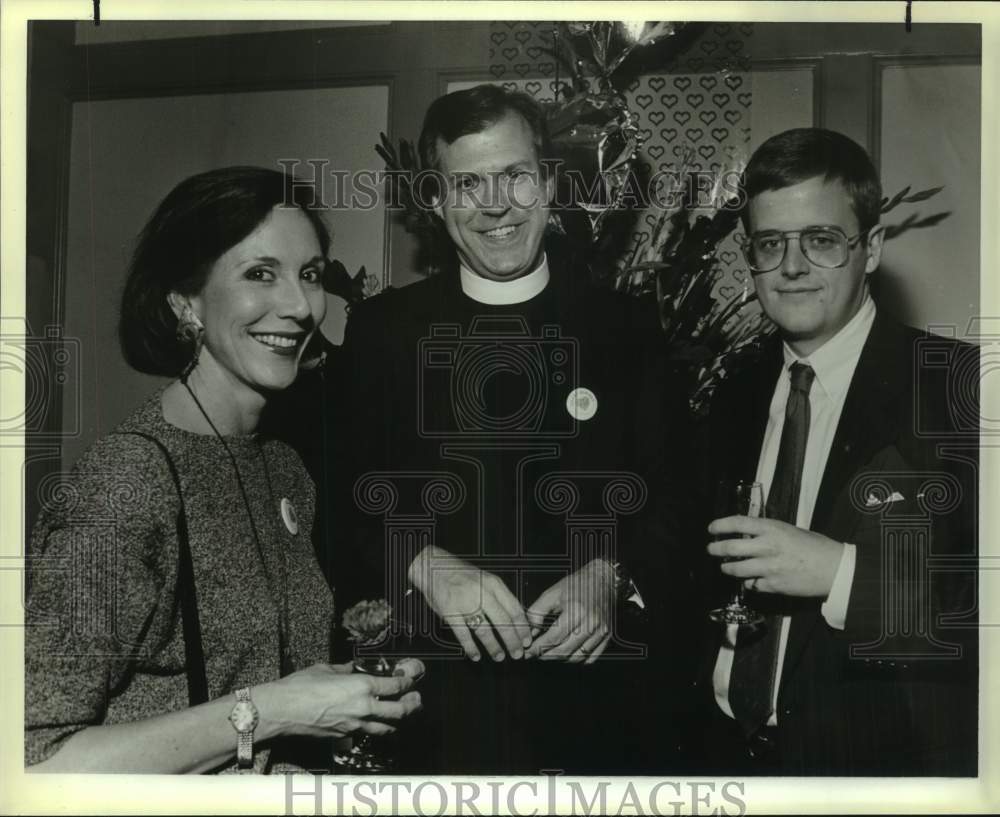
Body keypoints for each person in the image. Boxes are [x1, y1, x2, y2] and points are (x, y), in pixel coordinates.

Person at [274, 85, 685, 773]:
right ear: (434, 200)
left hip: (600, 722)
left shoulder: (625, 327)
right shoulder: (382, 334)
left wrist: (613, 576)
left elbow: (679, 498)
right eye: (467, 183)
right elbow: (333, 504)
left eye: (516, 176)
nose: (496, 205)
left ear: (549, 183)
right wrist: (420, 560)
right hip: (430, 720)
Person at [24, 166, 422, 774]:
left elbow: (257, 678)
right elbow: (34, 760)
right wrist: (276, 710)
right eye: (259, 274)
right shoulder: (125, 485)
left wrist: (344, 705)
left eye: (309, 275)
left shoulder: (284, 465)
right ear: (185, 301)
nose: (298, 305)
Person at [676, 128, 978, 775]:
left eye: (820, 240)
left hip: (881, 773)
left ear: (870, 248)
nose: (792, 267)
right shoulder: (733, 387)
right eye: (770, 244)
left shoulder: (959, 389)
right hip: (728, 764)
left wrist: (841, 572)